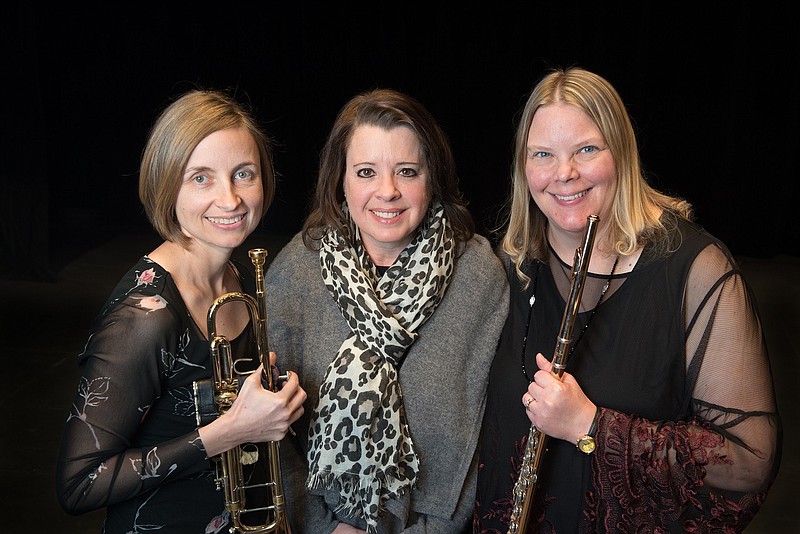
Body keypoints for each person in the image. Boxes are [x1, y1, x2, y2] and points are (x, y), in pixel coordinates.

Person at [474, 67, 782, 533]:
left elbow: (748, 459)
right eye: (543, 154)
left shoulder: (696, 270)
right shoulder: (507, 265)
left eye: (586, 149)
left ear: (621, 152)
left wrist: (591, 427)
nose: (564, 174)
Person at [56, 89, 307, 532]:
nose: (230, 200)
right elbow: (80, 484)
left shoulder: (236, 276)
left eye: (243, 174)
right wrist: (230, 430)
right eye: (201, 178)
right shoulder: (145, 317)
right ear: (166, 184)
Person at [264, 88, 509, 533]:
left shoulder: (479, 277)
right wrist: (320, 526)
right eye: (366, 172)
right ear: (340, 180)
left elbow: (487, 432)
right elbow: (271, 431)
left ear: (432, 177)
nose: (388, 192)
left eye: (407, 171)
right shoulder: (295, 271)